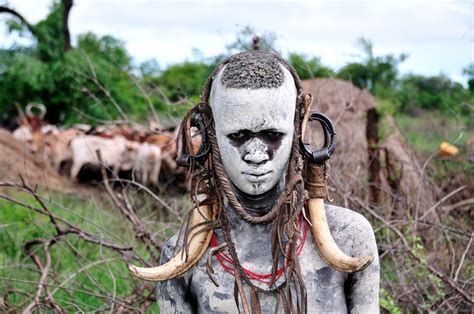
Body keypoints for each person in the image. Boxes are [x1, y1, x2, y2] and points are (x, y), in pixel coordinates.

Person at [129, 51, 379, 313]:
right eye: (237, 135)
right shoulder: (180, 255)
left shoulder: (349, 236)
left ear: (299, 127)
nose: (256, 155)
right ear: (207, 133)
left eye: (272, 134)